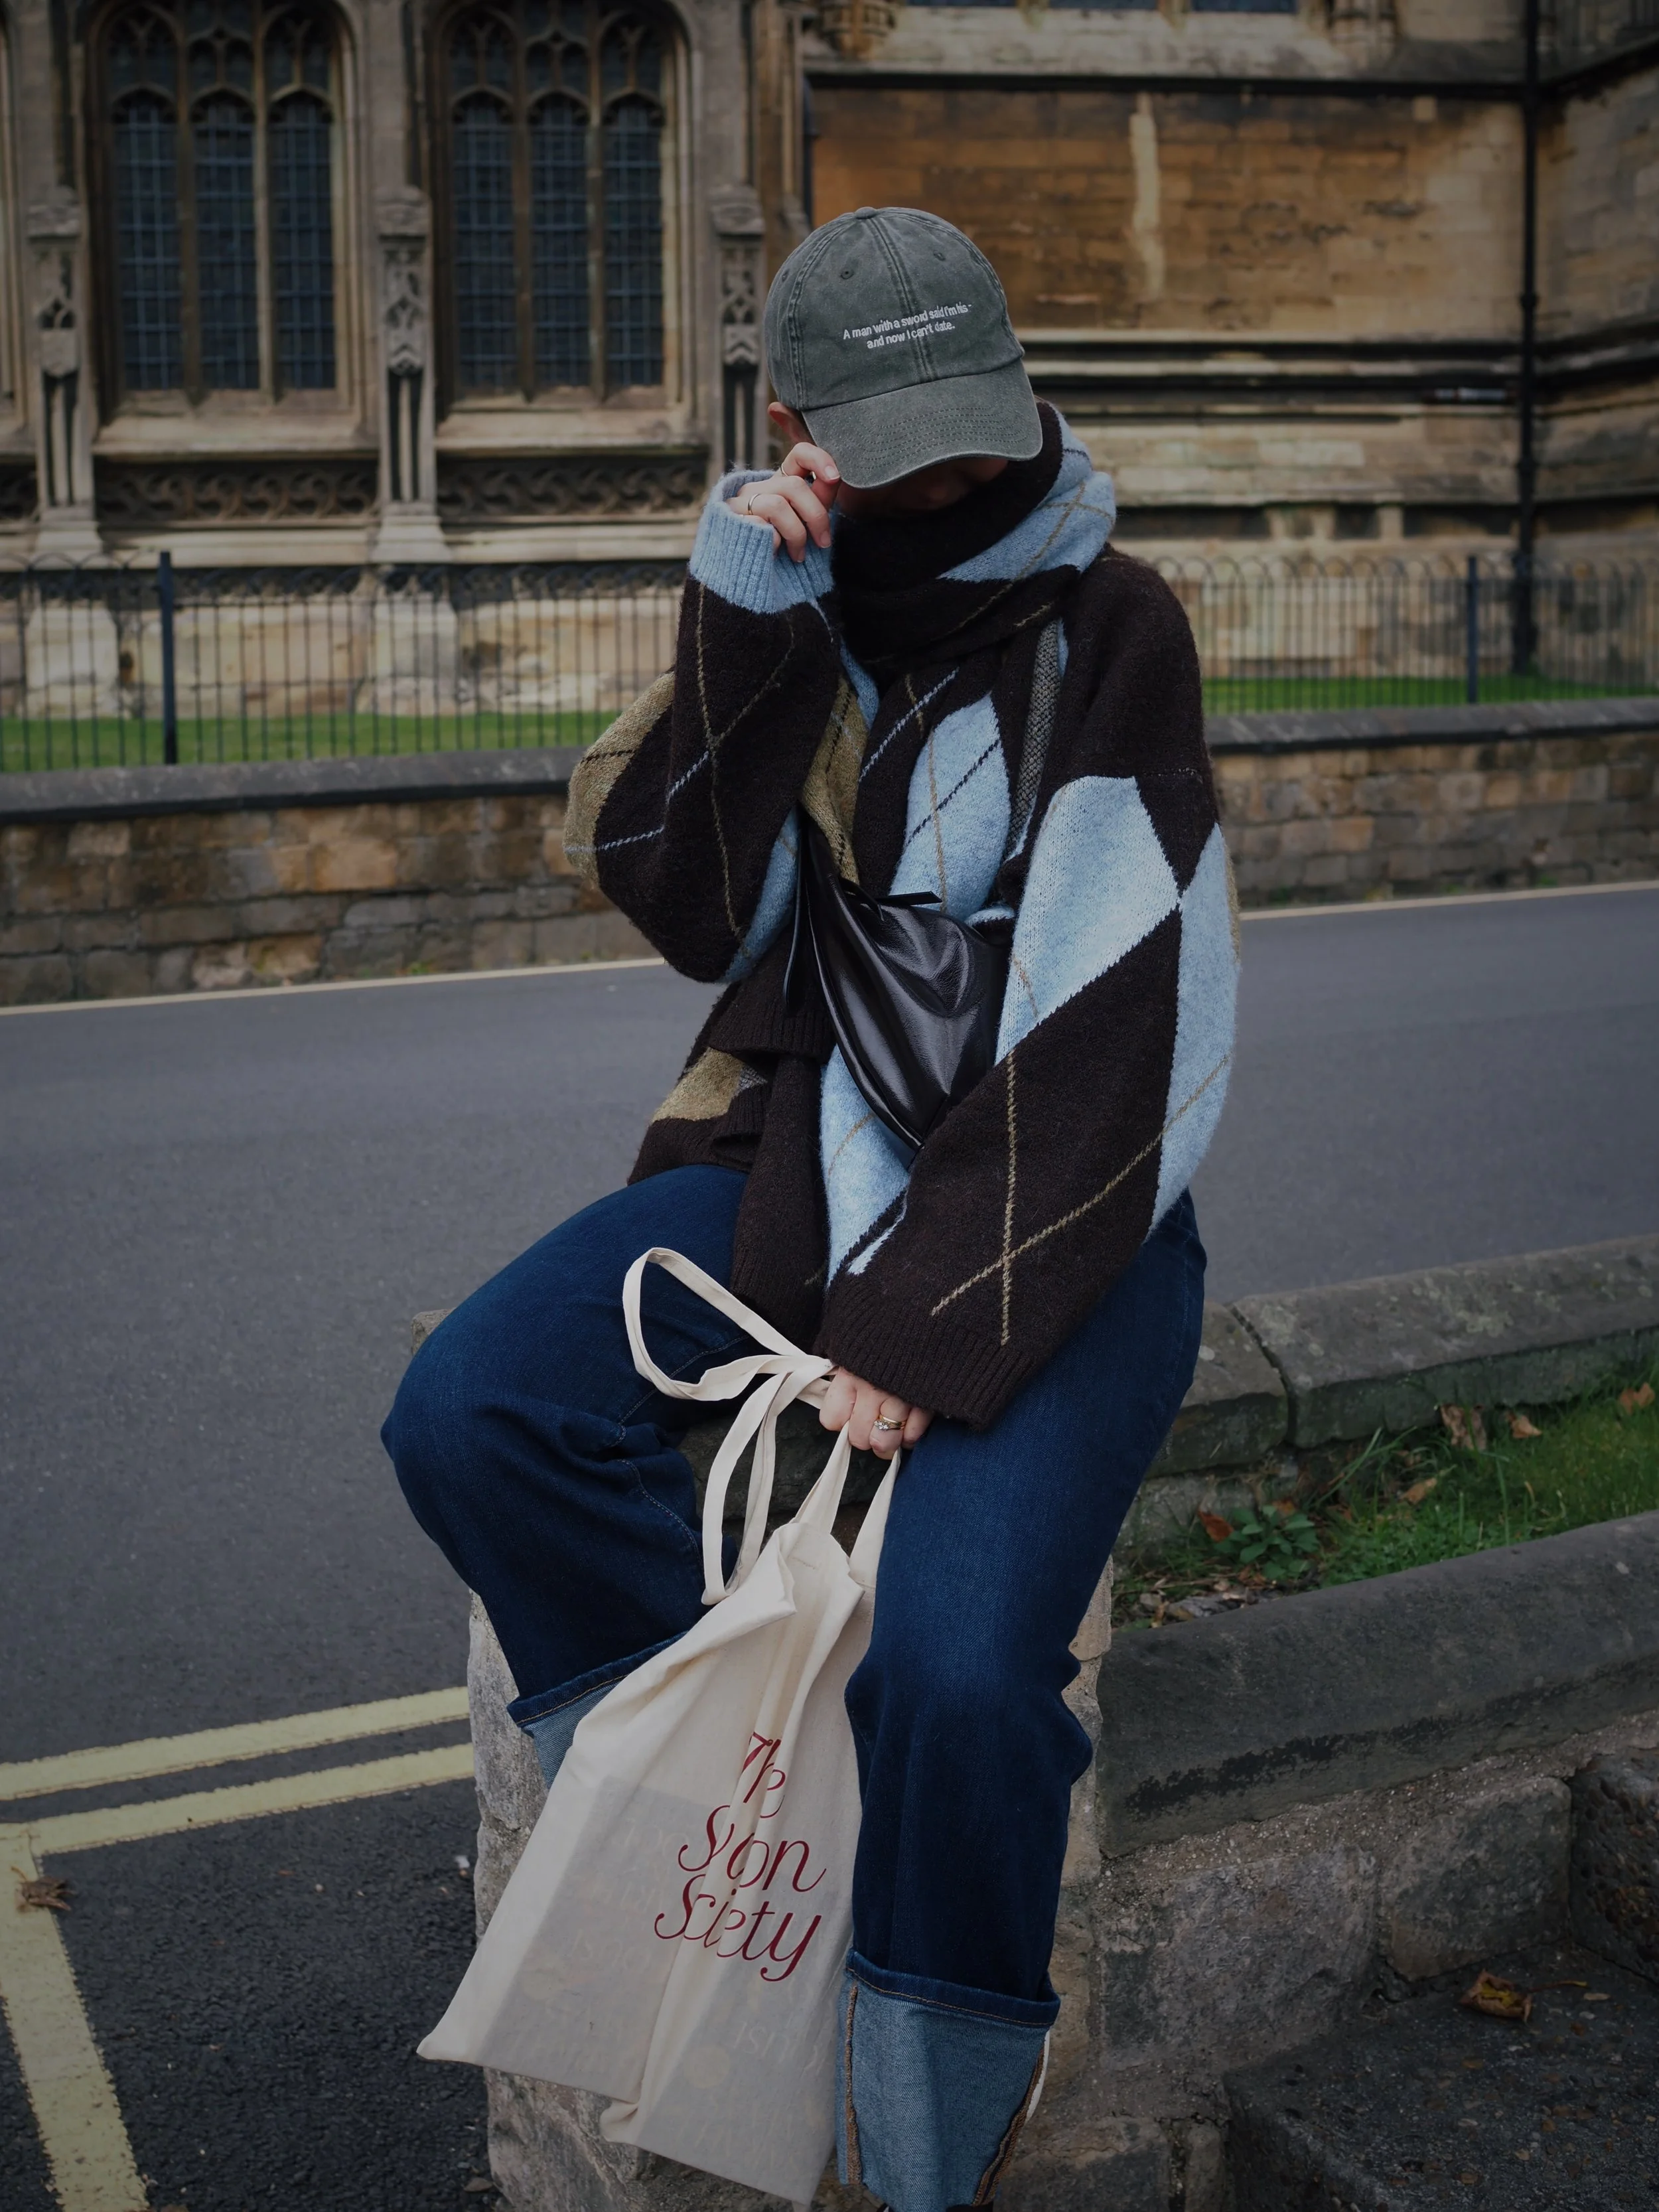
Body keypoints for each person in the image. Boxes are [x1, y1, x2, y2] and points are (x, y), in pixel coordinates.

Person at [384, 206, 1237, 2212]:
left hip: (1064, 1215)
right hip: (783, 1172)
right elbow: (679, 889)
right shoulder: (801, 598)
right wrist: (747, 617)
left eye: (973, 424)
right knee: (466, 1411)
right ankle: (728, 1805)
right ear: (801, 424)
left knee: (950, 1672)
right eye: (903, 440)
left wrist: (919, 1323)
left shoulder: (1116, 626)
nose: (953, 478)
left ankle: (933, 2137)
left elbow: (1127, 1021)